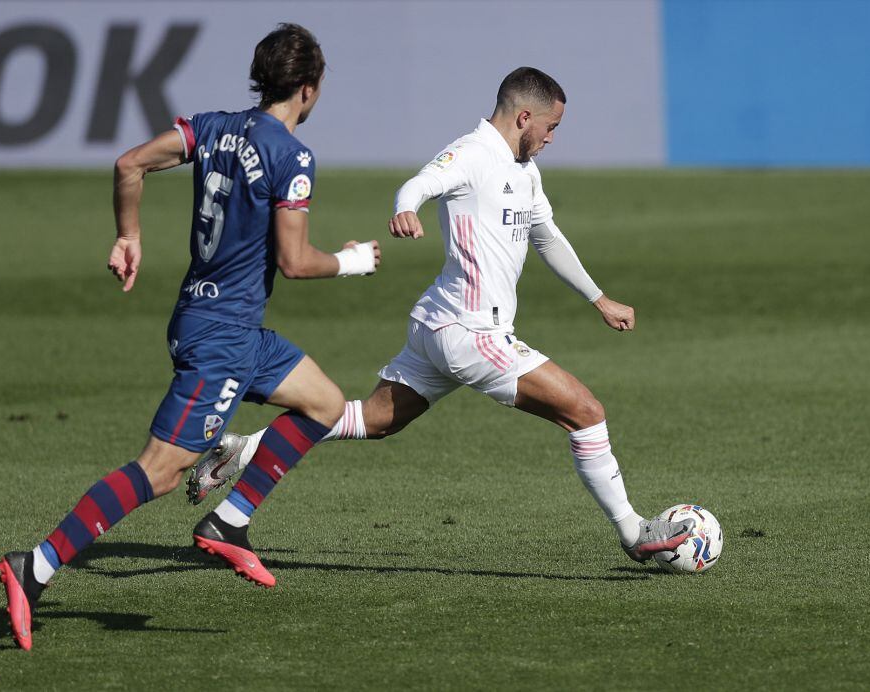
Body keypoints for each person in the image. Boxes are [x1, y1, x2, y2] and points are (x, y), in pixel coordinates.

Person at [188, 66, 692, 569]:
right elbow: (420, 184)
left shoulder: (525, 171)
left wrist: (598, 298)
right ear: (523, 117)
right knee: (586, 411)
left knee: (374, 419)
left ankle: (244, 449)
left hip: (439, 325)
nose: (552, 138)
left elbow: (547, 238)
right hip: (471, 332)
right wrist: (406, 209)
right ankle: (633, 531)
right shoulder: (473, 153)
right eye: (551, 127)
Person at [0, 23, 380, 651]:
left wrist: (129, 235)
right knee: (163, 471)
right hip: (222, 338)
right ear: (308, 90)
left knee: (326, 404)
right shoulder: (292, 156)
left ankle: (229, 523)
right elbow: (294, 261)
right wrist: (354, 260)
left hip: (216, 321)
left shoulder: (213, 126)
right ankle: (33, 567)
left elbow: (130, 163)